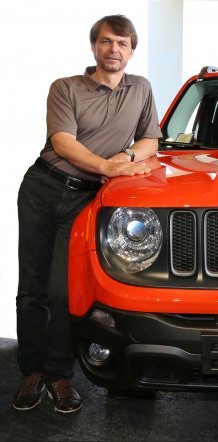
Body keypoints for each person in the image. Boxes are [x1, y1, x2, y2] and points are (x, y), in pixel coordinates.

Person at [13, 15, 163, 414]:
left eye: (122, 43)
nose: (114, 49)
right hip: (43, 189)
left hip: (84, 201)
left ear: (132, 50)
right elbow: (62, 142)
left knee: (63, 291)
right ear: (94, 46)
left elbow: (151, 138)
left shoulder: (141, 89)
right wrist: (107, 166)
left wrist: (128, 156)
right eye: (106, 41)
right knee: (32, 289)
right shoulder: (66, 88)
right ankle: (31, 372)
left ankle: (59, 376)